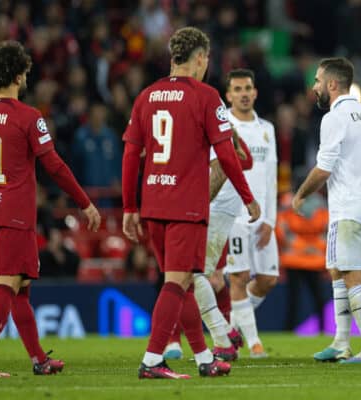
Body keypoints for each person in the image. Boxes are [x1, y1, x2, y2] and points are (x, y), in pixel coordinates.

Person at [0, 41, 101, 378]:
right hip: (15, 212)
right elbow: (55, 166)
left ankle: (38, 359)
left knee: (20, 288)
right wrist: (84, 202)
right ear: (17, 75)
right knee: (6, 285)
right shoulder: (29, 117)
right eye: (25, 72)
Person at [121, 27, 260, 379]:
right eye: (206, 61)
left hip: (153, 203)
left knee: (180, 282)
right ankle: (153, 359)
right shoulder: (206, 96)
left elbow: (130, 154)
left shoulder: (146, 95)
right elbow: (228, 157)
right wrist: (248, 197)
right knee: (177, 282)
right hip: (185, 206)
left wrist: (128, 207)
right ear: (200, 58)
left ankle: (202, 357)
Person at [292, 57, 361, 363]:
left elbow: (323, 168)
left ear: (333, 84)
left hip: (347, 206)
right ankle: (340, 341)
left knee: (351, 274)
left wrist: (300, 195)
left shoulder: (333, 118)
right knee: (337, 270)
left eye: (318, 81)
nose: (315, 87)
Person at [163, 129, 252, 362]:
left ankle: (223, 340)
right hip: (222, 205)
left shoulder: (202, 121)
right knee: (192, 274)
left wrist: (196, 205)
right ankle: (226, 332)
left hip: (213, 205)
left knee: (191, 273)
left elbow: (222, 167)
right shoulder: (215, 121)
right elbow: (244, 159)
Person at [220, 68, 278, 359]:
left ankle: (231, 329)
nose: (243, 94)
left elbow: (271, 177)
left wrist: (270, 219)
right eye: (237, 89)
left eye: (247, 88)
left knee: (268, 279)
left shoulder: (267, 129)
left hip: (262, 218)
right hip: (234, 215)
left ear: (255, 92)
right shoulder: (223, 127)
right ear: (228, 95)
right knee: (239, 277)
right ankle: (254, 343)